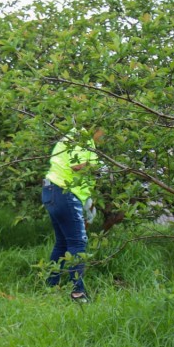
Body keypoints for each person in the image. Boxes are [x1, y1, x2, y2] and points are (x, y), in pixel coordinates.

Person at [42, 128, 104, 303]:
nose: (104, 137)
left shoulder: (75, 135)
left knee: (62, 243)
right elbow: (76, 166)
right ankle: (78, 293)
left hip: (53, 191)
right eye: (104, 132)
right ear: (97, 127)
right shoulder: (82, 137)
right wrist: (100, 166)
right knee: (78, 242)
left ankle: (51, 286)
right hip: (64, 193)